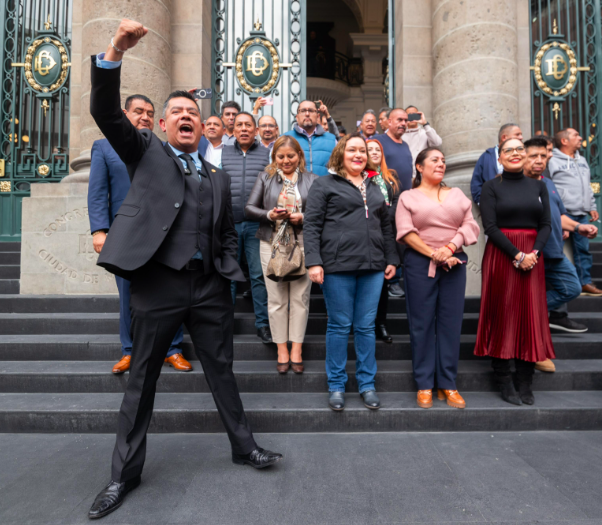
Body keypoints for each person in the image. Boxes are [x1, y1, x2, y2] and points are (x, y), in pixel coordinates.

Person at [87, 19, 282, 520]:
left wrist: (227, 272)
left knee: (223, 372)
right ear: (164, 125)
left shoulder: (216, 176)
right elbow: (106, 112)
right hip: (159, 284)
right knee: (143, 379)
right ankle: (121, 476)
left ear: (201, 124)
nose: (185, 117)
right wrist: (115, 51)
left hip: (210, 286)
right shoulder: (145, 152)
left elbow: (220, 231)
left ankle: (244, 447)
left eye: (192, 112)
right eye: (176, 112)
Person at [88, 94, 190, 375]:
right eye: (138, 111)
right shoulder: (104, 148)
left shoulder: (166, 149)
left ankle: (173, 349)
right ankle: (129, 351)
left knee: (170, 291)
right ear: (124, 113)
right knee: (127, 294)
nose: (144, 116)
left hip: (162, 233)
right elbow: (97, 193)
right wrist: (99, 230)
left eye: (149, 113)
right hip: (125, 235)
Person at [304, 133, 399, 412]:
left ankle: (367, 384)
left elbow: (386, 227)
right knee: (339, 325)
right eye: (352, 150)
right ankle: (336, 385)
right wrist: (314, 261)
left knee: (366, 327)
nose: (358, 155)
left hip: (372, 268)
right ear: (340, 154)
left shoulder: (375, 186)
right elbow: (311, 226)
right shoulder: (324, 185)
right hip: (337, 266)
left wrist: (391, 258)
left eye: (362, 151)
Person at [397, 147, 479, 409]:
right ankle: (424, 384)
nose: (441, 164)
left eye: (443, 160)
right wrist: (434, 253)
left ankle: (448, 384)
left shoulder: (456, 194)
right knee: (421, 325)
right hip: (420, 264)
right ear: (419, 167)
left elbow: (469, 225)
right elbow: (406, 232)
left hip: (454, 263)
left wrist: (449, 248)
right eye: (435, 160)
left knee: (451, 325)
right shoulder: (408, 197)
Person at [474, 138, 555, 406]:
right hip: (503, 255)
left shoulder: (538, 185)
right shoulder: (490, 187)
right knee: (503, 313)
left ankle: (525, 380)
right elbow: (490, 227)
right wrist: (517, 255)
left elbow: (545, 224)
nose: (515, 153)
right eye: (508, 150)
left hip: (533, 257)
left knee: (530, 315)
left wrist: (534, 254)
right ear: (500, 157)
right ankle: (504, 379)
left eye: (520, 148)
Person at [523, 137, 597, 374]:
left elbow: (560, 214)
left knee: (572, 288)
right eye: (534, 155)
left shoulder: (549, 183)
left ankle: (529, 314)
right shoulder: (515, 184)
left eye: (543, 156)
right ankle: (532, 347)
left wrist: (577, 227)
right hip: (530, 254)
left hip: (554, 251)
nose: (539, 160)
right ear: (522, 156)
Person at [245, 136, 318, 373]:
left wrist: (303, 217)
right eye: (281, 156)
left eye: (291, 156)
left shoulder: (311, 180)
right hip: (271, 243)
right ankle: (281, 349)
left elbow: (321, 213)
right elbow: (249, 208)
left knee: (300, 298)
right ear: (274, 157)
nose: (286, 160)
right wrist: (269, 215)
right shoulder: (265, 177)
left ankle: (296, 347)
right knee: (276, 299)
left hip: (303, 243)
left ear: (299, 156)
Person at [221, 111, 272, 343]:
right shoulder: (221, 153)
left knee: (258, 275)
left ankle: (262, 324)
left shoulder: (267, 154)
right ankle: (226, 323)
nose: (243, 129)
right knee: (230, 276)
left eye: (248, 125)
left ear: (256, 130)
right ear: (233, 128)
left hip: (256, 225)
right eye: (239, 124)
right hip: (229, 225)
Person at [548, 128, 602, 296]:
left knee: (583, 250)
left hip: (580, 213)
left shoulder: (582, 160)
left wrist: (591, 206)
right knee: (555, 250)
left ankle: (584, 282)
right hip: (560, 213)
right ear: (564, 141)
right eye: (576, 135)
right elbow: (548, 187)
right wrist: (557, 215)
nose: (581, 138)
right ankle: (555, 285)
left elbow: (587, 186)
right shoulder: (552, 160)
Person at [366, 138, 402, 343]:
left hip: (387, 233)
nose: (374, 152)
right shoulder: (360, 177)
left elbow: (397, 199)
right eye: (369, 149)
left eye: (377, 149)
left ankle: (381, 324)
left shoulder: (392, 176)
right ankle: (366, 325)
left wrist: (386, 215)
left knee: (382, 284)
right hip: (367, 232)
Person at [470, 123, 523, 205]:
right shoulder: (486, 156)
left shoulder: (523, 155)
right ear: (504, 137)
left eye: (521, 134)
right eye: (517, 134)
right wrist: (484, 204)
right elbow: (476, 183)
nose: (521, 137)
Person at [285, 100, 337, 176]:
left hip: (324, 187)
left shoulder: (332, 140)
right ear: (297, 117)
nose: (307, 114)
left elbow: (340, 169)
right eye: (303, 111)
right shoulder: (285, 139)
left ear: (318, 116)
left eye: (311, 110)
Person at [378, 108, 413, 198]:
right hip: (387, 199)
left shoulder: (405, 145)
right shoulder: (378, 141)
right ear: (389, 122)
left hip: (406, 198)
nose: (403, 123)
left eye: (406, 121)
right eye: (400, 120)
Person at [403, 106, 443, 175]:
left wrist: (425, 124)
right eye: (409, 115)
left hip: (422, 174)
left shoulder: (425, 132)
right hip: (405, 175)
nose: (412, 117)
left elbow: (437, 143)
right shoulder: (401, 135)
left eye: (414, 114)